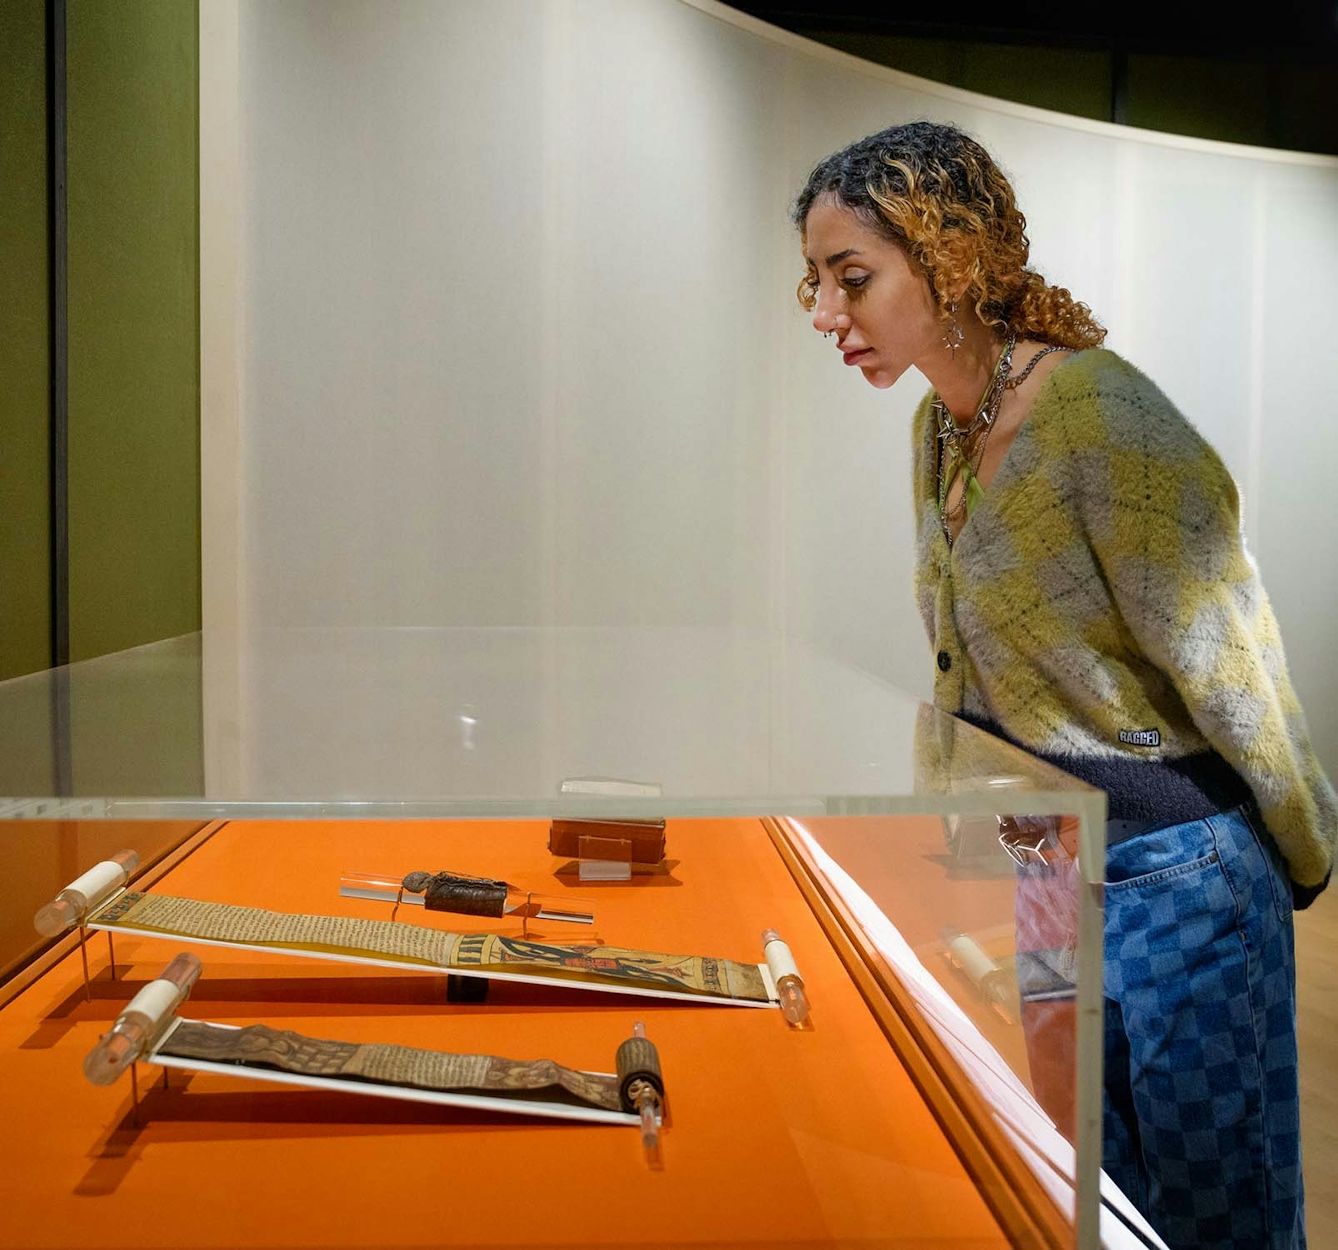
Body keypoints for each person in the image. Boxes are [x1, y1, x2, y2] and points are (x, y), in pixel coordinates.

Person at [792, 120, 1337, 1250]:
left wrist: (1301, 851)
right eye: (816, 283)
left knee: (1218, 1215)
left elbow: (1231, 654)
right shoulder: (937, 430)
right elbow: (967, 663)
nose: (826, 315)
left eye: (852, 278)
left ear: (949, 255)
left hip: (1177, 876)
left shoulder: (1102, 416)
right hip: (1043, 870)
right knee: (1087, 1197)